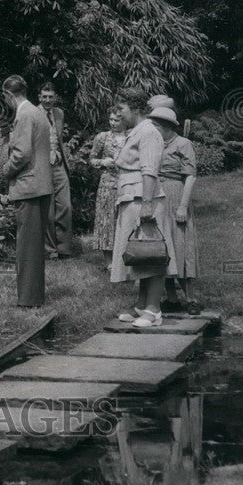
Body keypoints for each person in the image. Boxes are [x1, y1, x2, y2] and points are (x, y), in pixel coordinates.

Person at [111, 88, 177, 328]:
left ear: (136, 108)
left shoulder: (149, 132)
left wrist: (147, 204)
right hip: (132, 195)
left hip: (144, 197)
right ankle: (141, 304)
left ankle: (154, 309)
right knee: (140, 254)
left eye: (121, 109)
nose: (118, 114)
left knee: (152, 254)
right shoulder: (138, 131)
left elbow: (150, 170)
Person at [0, 75, 52, 306]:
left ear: (9, 95)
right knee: (34, 246)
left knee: (26, 247)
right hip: (41, 185)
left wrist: (4, 171)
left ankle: (29, 300)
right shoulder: (38, 112)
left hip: (29, 186)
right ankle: (34, 296)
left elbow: (21, 153)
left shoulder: (24, 114)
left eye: (5, 97)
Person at [151, 108, 201, 315]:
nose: (154, 130)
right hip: (157, 195)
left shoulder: (183, 144)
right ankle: (171, 298)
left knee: (181, 244)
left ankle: (191, 298)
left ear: (168, 127)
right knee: (163, 246)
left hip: (175, 194)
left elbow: (190, 176)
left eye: (157, 126)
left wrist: (182, 205)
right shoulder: (153, 144)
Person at [88, 106, 127, 267]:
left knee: (123, 219)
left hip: (126, 182)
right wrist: (102, 162)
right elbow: (92, 158)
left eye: (116, 120)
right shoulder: (102, 137)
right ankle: (109, 262)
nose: (113, 123)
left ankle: (125, 257)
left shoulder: (131, 136)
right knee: (106, 220)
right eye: (111, 119)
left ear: (123, 120)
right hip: (107, 183)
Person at [38, 82, 72, 259]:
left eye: (50, 97)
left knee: (65, 205)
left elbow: (59, 138)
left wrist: (58, 153)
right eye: (44, 96)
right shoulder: (34, 114)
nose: (47, 100)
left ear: (55, 98)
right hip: (41, 165)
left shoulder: (59, 113)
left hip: (59, 164)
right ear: (39, 97)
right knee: (48, 209)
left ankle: (64, 248)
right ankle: (50, 250)